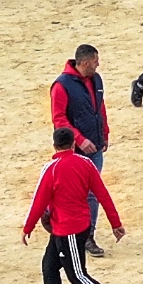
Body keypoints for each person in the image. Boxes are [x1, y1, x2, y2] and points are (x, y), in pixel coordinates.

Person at [22, 127, 134, 284]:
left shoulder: (52, 169)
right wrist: (115, 223)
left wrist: (28, 227)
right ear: (73, 144)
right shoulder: (86, 163)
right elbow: (103, 195)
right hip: (77, 226)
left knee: (78, 276)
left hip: (67, 230)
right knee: (49, 266)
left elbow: (39, 202)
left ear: (54, 146)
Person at [50, 46, 110, 256]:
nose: (98, 64)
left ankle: (88, 236)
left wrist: (104, 133)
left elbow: (100, 107)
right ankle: (56, 220)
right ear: (85, 63)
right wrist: (80, 140)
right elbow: (59, 120)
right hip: (74, 151)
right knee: (72, 193)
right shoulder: (61, 86)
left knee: (92, 193)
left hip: (94, 146)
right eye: (95, 61)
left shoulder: (96, 80)